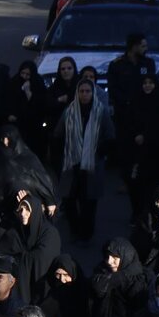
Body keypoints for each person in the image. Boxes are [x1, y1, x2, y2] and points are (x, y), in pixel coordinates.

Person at [55, 79, 115, 241]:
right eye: (81, 91)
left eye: (87, 91)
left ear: (93, 93)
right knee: (69, 200)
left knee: (89, 203)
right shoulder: (69, 111)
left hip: (92, 164)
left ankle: (86, 235)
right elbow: (58, 134)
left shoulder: (101, 111)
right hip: (72, 164)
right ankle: (75, 230)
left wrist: (99, 151)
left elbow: (110, 135)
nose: (84, 94)